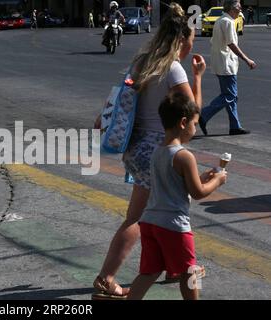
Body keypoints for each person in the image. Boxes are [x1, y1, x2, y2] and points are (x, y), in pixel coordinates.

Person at [92, 2, 206, 299]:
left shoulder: (142, 61)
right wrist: (198, 78)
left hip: (135, 147)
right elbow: (191, 118)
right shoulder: (174, 69)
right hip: (161, 151)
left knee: (153, 213)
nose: (189, 47)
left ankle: (171, 267)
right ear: (182, 40)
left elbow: (119, 98)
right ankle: (107, 278)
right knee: (147, 217)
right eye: (190, 42)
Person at [127, 93, 227, 300]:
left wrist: (200, 177)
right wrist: (217, 181)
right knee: (191, 271)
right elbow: (197, 192)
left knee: (149, 272)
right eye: (195, 123)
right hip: (173, 224)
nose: (195, 128)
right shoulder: (184, 156)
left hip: (150, 221)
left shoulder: (157, 151)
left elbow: (172, 183)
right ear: (184, 123)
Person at [199, 0, 256, 136]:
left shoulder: (220, 20)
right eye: (239, 8)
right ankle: (203, 115)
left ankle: (234, 126)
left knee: (231, 96)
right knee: (230, 95)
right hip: (226, 64)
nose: (240, 11)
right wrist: (247, 59)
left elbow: (214, 41)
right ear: (232, 8)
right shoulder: (228, 22)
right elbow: (231, 44)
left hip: (220, 63)